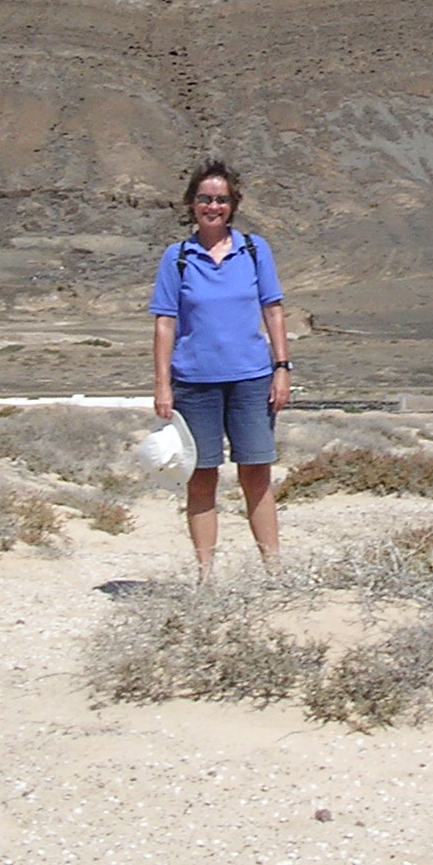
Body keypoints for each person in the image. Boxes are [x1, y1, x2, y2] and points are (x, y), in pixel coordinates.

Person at [149, 159, 291, 577]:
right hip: (194, 382)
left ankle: (274, 571)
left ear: (233, 205)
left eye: (222, 200)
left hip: (251, 378)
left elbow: (274, 309)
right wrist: (162, 385)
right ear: (192, 204)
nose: (214, 206)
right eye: (205, 199)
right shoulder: (176, 258)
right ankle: (206, 575)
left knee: (256, 473)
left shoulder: (253, 249)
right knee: (201, 476)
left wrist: (281, 367)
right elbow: (165, 323)